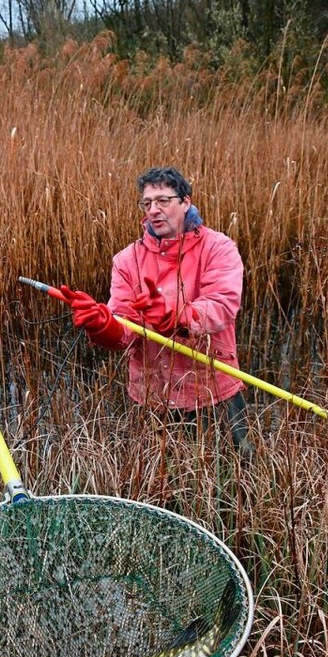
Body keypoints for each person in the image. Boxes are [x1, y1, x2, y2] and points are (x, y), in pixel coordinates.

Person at [60, 166, 252, 455]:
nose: (153, 210)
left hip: (214, 391)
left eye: (163, 201)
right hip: (153, 396)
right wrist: (103, 326)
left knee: (233, 478)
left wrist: (177, 317)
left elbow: (221, 304)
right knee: (160, 487)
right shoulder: (128, 260)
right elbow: (123, 325)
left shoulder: (219, 248)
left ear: (185, 202)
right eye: (147, 203)